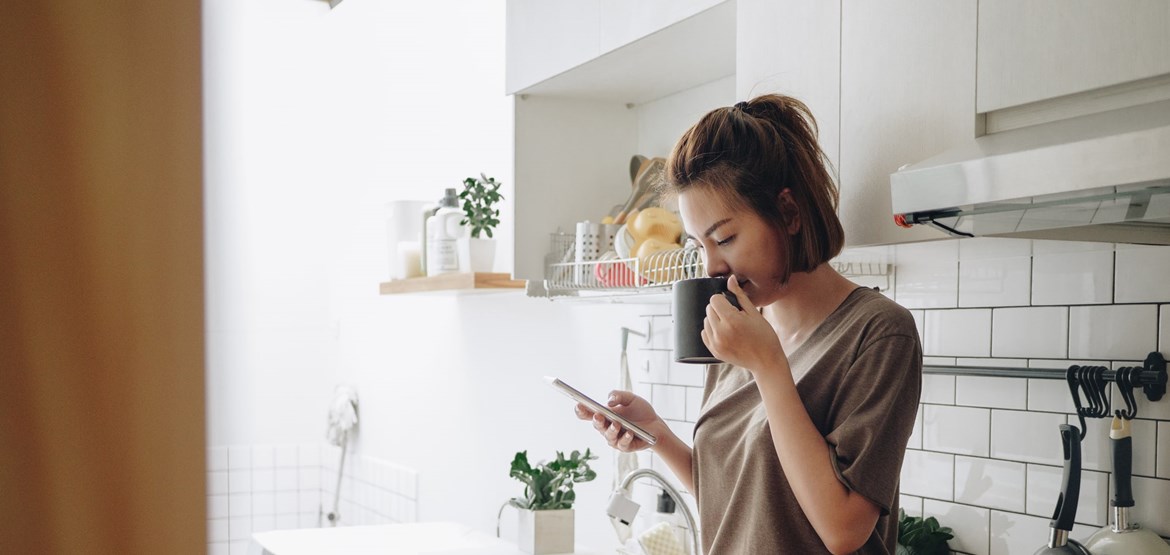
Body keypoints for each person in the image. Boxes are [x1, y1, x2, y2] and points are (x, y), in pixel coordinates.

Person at [575, 94, 922, 555]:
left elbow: (843, 529)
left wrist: (768, 366)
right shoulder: (740, 329)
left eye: (726, 238)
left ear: (789, 213)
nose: (713, 266)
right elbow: (741, 501)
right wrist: (656, 434)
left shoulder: (878, 334)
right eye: (700, 245)